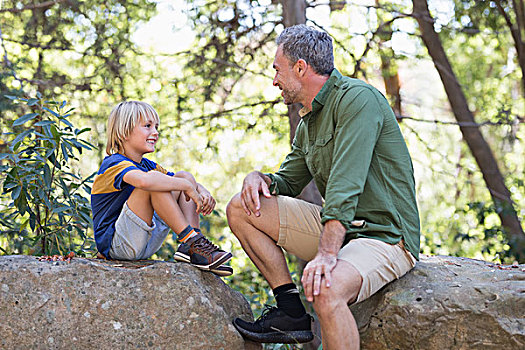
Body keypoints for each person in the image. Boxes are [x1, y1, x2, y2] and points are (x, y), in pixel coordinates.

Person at [227, 25, 420, 348]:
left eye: (277, 70)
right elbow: (288, 181)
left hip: (384, 236)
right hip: (344, 232)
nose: (274, 81)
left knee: (325, 288)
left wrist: (328, 255)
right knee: (241, 207)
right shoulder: (309, 122)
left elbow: (347, 184)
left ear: (300, 68)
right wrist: (259, 179)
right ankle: (290, 312)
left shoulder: (359, 100)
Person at [91, 101, 232, 276]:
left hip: (144, 242)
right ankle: (191, 240)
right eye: (147, 126)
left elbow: (179, 181)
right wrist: (188, 186)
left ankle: (194, 247)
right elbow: (145, 182)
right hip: (117, 246)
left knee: (182, 176)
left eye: (156, 127)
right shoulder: (113, 164)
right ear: (124, 131)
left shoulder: (147, 165)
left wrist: (201, 190)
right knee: (154, 185)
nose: (155, 132)